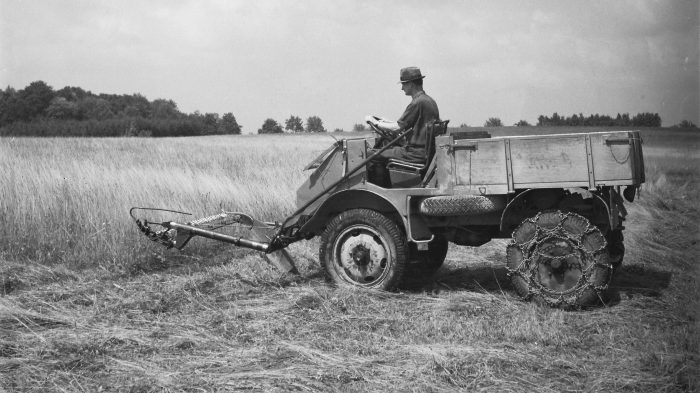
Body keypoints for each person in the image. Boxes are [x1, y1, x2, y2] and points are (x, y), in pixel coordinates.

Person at [366, 67, 440, 187]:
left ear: (411, 84)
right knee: (384, 147)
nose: (402, 88)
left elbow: (397, 127)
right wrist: (385, 122)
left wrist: (375, 123)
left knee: (368, 155)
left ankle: (378, 191)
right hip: (423, 152)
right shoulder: (428, 101)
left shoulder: (417, 103)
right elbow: (405, 124)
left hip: (414, 154)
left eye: (404, 84)